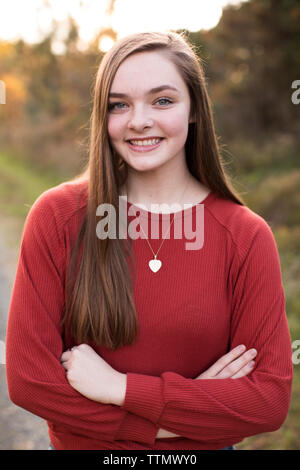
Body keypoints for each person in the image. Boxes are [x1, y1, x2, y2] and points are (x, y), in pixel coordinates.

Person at [5, 31, 293, 451]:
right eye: (119, 105)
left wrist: (119, 388)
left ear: (194, 109)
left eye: (162, 100)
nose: (138, 120)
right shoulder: (58, 218)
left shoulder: (245, 236)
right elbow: (30, 382)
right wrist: (174, 424)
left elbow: (267, 402)